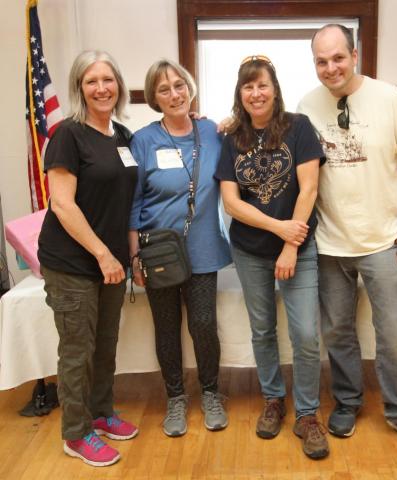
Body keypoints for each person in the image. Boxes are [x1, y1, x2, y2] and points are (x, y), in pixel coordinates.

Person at [297, 24, 397, 454]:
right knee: (337, 331)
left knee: (393, 332)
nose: (330, 67)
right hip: (330, 244)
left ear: (355, 55)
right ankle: (347, 401)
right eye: (321, 61)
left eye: (338, 57)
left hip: (384, 242)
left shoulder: (390, 99)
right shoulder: (306, 106)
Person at [215, 55, 328, 460]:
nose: (256, 93)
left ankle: (308, 415)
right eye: (248, 87)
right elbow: (230, 202)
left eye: (262, 85)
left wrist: (290, 244)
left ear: (275, 89)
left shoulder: (298, 128)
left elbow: (309, 189)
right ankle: (274, 399)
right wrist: (279, 230)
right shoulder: (231, 138)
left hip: (298, 248)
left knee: (305, 337)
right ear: (240, 95)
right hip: (249, 250)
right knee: (262, 330)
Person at [38, 50, 139, 467]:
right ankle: (76, 433)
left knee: (105, 344)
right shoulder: (68, 134)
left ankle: (101, 413)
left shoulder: (123, 137)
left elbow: (125, 201)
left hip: (111, 261)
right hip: (73, 262)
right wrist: (101, 254)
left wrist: (124, 257)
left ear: (119, 85)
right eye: (91, 81)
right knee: (77, 350)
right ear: (80, 87)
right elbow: (62, 205)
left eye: (108, 79)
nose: (102, 88)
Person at [128, 59, 231, 437]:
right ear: (154, 98)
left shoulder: (214, 131)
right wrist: (134, 255)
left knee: (204, 324)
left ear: (190, 87)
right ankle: (175, 398)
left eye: (179, 85)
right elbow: (134, 203)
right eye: (164, 89)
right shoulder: (143, 140)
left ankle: (211, 392)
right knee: (167, 327)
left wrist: (233, 121)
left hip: (203, 249)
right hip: (158, 253)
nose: (174, 94)